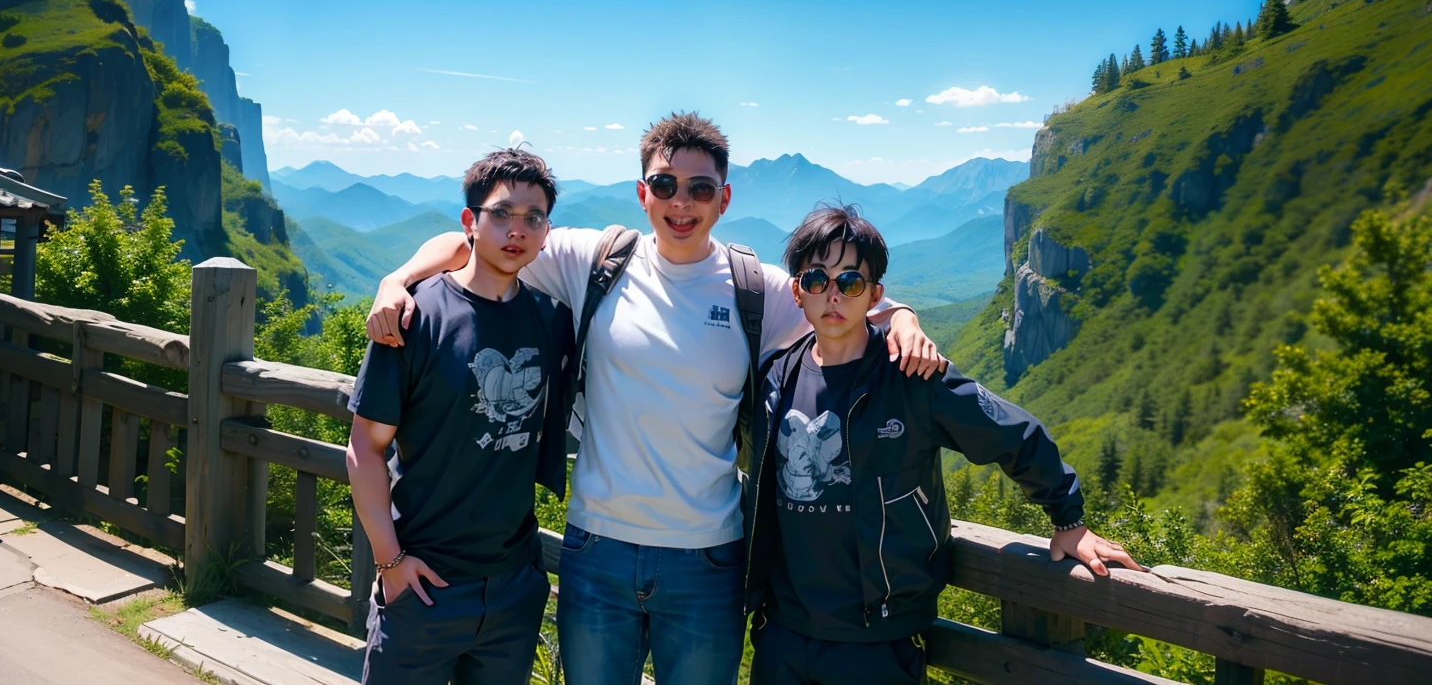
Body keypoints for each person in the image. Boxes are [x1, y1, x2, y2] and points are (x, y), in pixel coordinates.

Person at [368, 112, 944, 685]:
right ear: (643, 193)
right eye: (665, 185)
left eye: (700, 188)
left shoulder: (756, 289)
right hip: (598, 550)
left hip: (709, 559)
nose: (681, 202)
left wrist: (903, 318)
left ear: (724, 198)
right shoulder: (594, 260)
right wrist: (397, 280)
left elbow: (841, 299)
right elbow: (472, 238)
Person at [743, 205, 1146, 684]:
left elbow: (1012, 432)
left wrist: (1069, 520)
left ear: (874, 295)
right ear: (797, 292)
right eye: (817, 280)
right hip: (782, 633)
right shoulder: (775, 379)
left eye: (850, 282)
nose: (832, 295)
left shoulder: (913, 377)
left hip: (878, 642)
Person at [346, 148, 574, 684]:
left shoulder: (552, 319)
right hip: (424, 585)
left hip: (513, 586)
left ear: (546, 233)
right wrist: (390, 563)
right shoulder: (414, 316)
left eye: (532, 218)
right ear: (471, 222)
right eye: (500, 213)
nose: (516, 230)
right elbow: (365, 447)